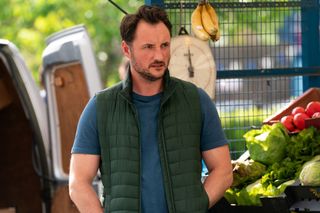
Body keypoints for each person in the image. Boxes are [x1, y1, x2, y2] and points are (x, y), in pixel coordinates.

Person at [69, 4, 233, 213]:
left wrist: (194, 207)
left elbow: (223, 170)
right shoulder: (100, 107)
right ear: (127, 50)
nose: (159, 56)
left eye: (164, 45)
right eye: (148, 47)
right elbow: (78, 183)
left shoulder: (195, 100)